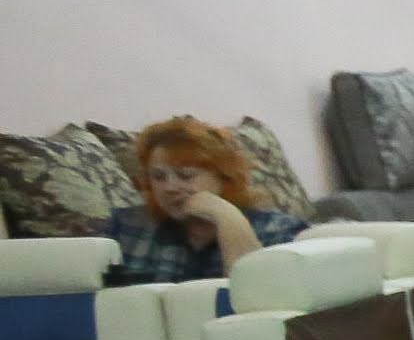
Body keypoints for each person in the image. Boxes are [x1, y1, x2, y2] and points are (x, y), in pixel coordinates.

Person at [102, 116, 304, 285]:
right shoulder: (126, 228)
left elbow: (255, 298)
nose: (170, 188)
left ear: (224, 177)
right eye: (158, 177)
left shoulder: (277, 231)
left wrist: (227, 217)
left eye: (186, 176)